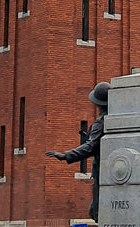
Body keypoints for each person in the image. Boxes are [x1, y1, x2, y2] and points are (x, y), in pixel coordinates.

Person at [46, 82, 109, 220]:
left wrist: (66, 155)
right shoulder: (115, 119)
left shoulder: (101, 122)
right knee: (96, 210)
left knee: (97, 212)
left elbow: (91, 146)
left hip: (101, 172)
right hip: (110, 171)